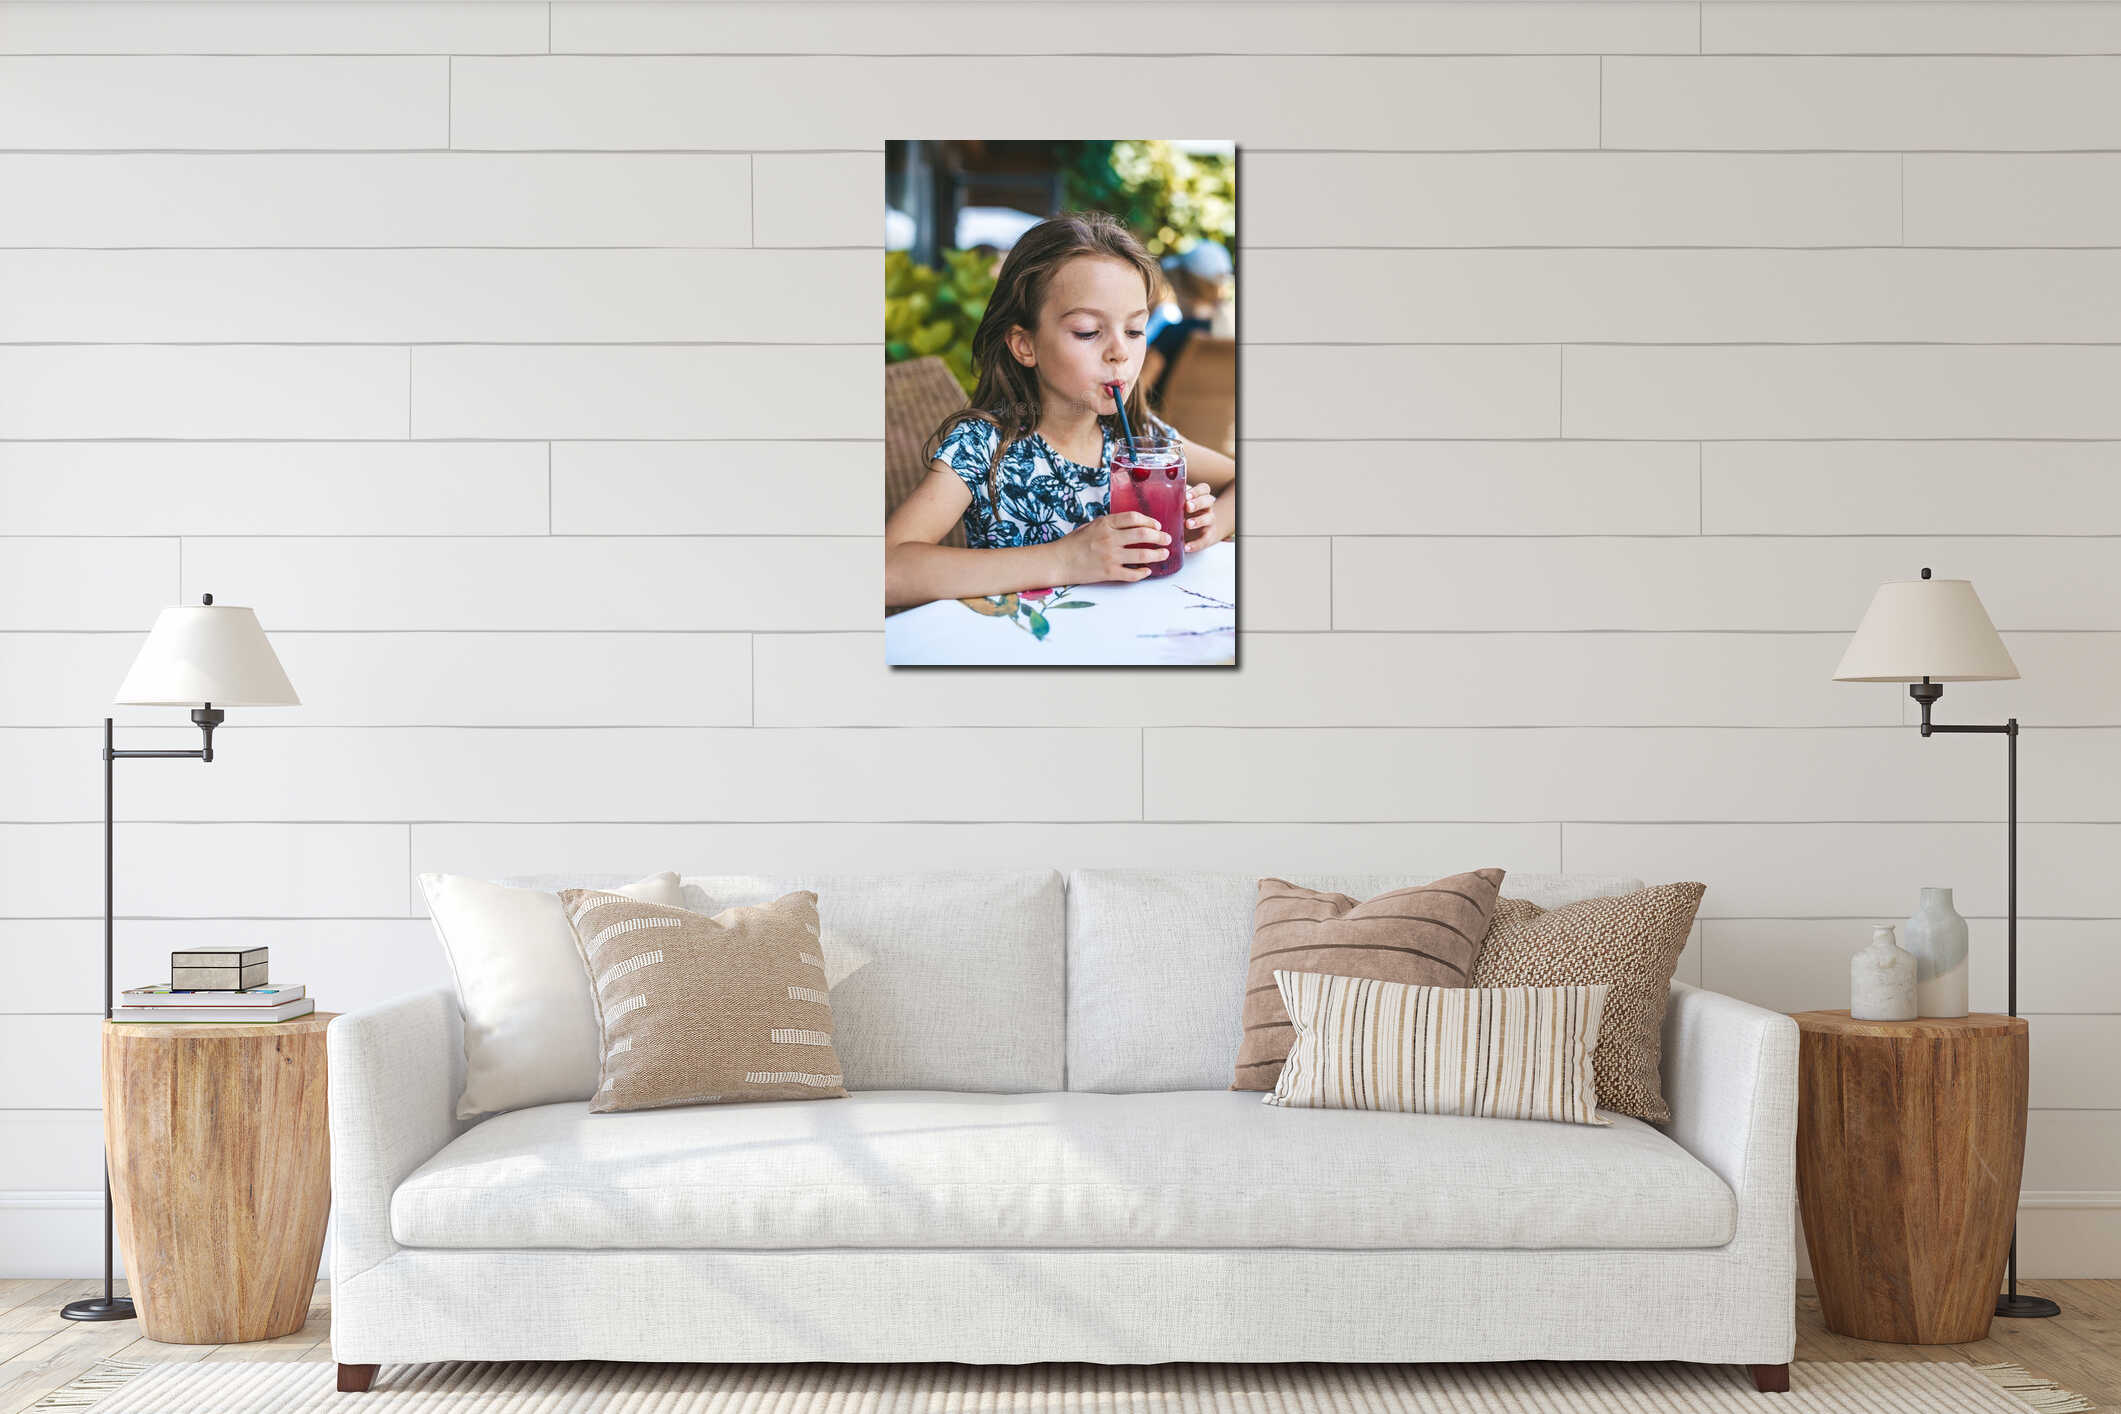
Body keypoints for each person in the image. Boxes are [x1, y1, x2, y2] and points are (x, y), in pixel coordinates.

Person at [884, 212, 1238, 609]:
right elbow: (887, 571)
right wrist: (1066, 559)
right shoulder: (984, 446)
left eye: (1135, 330)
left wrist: (1205, 528)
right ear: (1025, 345)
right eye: (1088, 331)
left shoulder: (1143, 441)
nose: (1120, 351)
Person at [1142, 241, 1232, 407]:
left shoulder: (1173, 334)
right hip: (1215, 431)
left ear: (1182, 283)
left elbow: (1136, 392)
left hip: (1163, 430)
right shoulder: (1229, 338)